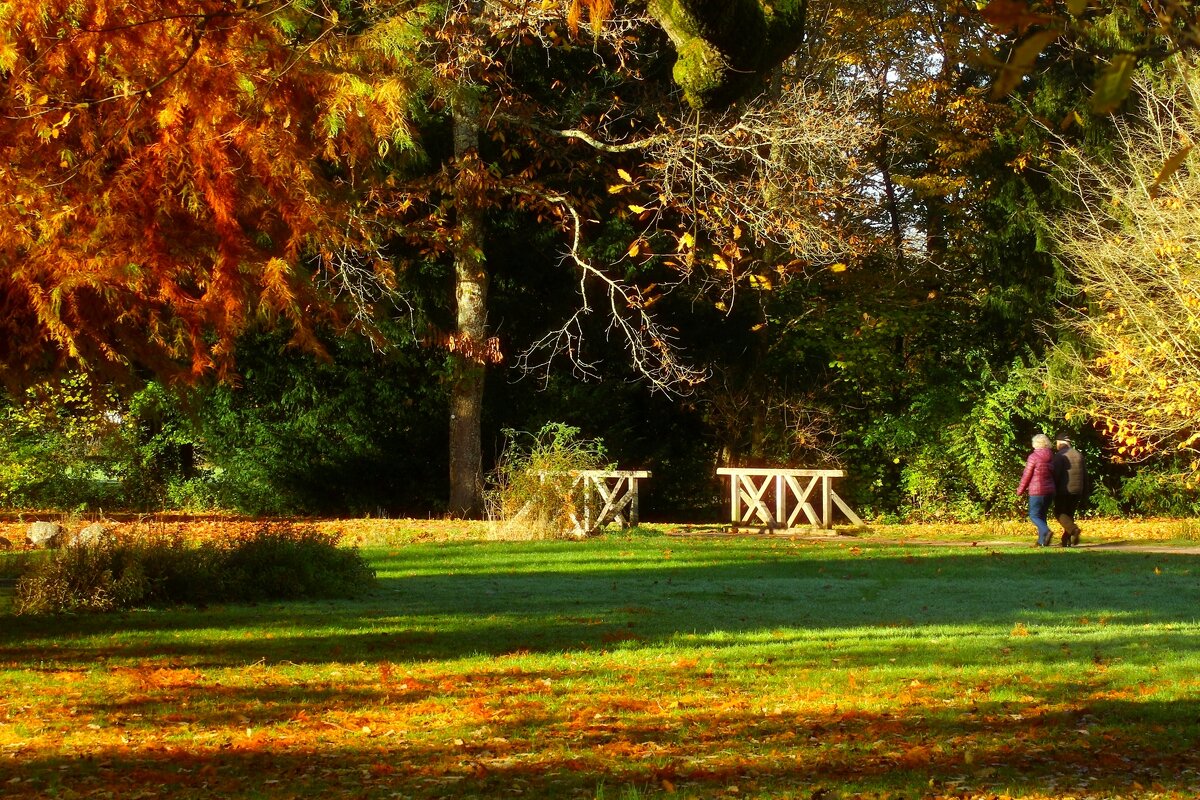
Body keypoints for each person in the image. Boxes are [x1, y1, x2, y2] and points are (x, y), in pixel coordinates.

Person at [1016, 433, 1057, 547]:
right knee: (1042, 515)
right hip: (1049, 491)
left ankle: (1047, 531)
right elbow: (1055, 474)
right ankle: (1041, 541)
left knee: (1034, 515)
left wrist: (1020, 490)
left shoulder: (1033, 457)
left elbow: (1027, 475)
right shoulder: (1051, 456)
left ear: (1036, 444)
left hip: (1037, 491)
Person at [1052, 433, 1088, 547]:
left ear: (1059, 443)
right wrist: (1085, 491)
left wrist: (1053, 489)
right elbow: (1085, 475)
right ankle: (1065, 541)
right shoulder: (1078, 454)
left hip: (1064, 490)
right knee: (1069, 514)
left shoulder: (1059, 456)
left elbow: (1056, 475)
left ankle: (1074, 530)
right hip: (1078, 490)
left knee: (1059, 513)